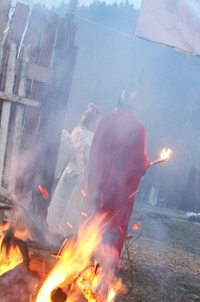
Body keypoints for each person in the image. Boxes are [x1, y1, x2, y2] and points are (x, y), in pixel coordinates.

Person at [84, 81, 151, 269]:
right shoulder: (138, 129)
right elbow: (138, 162)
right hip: (120, 191)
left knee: (94, 219)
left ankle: (86, 257)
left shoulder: (105, 121)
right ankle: (107, 263)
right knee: (114, 224)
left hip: (99, 185)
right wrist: (146, 165)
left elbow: (94, 152)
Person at [46, 103, 102, 241]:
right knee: (73, 207)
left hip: (69, 172)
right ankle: (65, 236)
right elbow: (89, 160)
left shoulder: (75, 132)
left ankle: (54, 233)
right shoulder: (91, 138)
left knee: (62, 202)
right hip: (80, 177)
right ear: (93, 122)